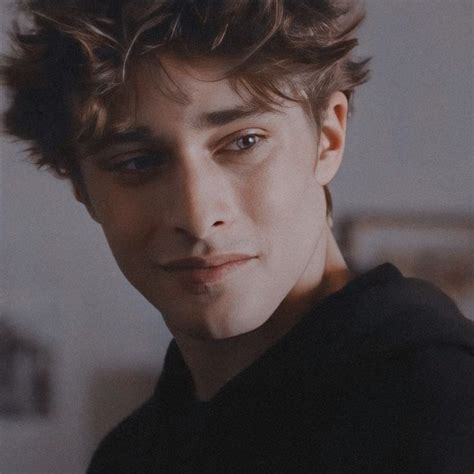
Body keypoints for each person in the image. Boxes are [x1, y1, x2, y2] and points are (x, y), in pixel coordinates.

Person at [1, 0, 473, 472]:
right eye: (137, 161)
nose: (198, 215)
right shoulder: (131, 454)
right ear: (81, 187)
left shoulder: (440, 401)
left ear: (328, 137)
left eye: (244, 142)